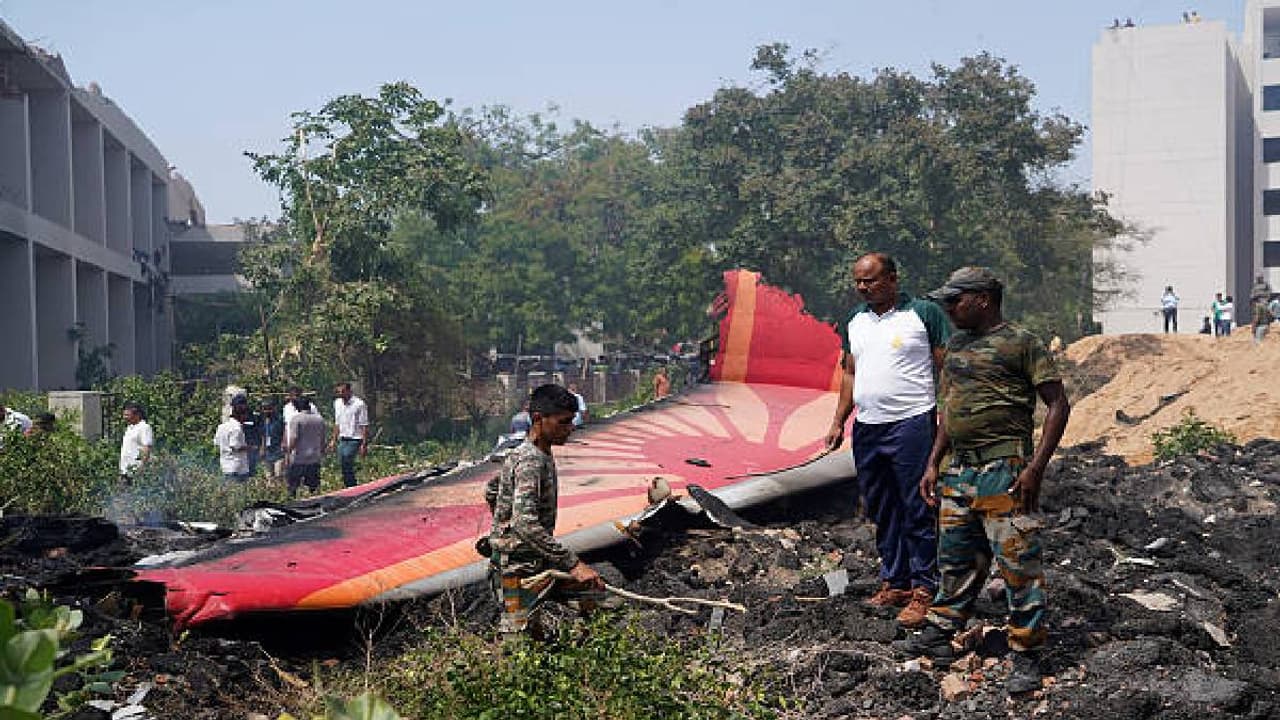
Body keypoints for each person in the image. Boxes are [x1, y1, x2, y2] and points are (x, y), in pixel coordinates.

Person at [896, 267, 1071, 696]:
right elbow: (949, 409)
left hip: (1003, 472)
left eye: (955, 301)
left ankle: (1026, 653)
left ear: (983, 300)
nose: (949, 309)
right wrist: (933, 463)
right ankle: (941, 632)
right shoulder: (956, 344)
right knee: (956, 557)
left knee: (1016, 564)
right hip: (959, 471)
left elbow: (1057, 405)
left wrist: (1035, 468)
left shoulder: (1021, 343)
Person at [823, 252, 950, 628]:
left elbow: (948, 368)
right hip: (869, 425)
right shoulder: (856, 321)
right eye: (858, 282)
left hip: (912, 422)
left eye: (871, 280)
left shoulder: (923, 314)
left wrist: (948, 417)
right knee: (881, 506)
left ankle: (925, 587)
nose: (863, 288)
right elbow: (849, 374)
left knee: (917, 505)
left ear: (893, 278)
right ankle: (896, 581)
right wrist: (837, 421)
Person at [480, 384, 605, 636]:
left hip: (534, 560)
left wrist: (502, 528)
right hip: (517, 568)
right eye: (563, 422)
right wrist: (573, 564)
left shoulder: (528, 453)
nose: (570, 428)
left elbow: (493, 490)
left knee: (593, 594)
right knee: (517, 644)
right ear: (538, 419)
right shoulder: (530, 462)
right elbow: (525, 524)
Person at [285, 397, 327, 498]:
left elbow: (294, 438)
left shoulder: (296, 419)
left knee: (293, 486)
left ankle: (293, 505)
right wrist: (322, 452)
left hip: (299, 458)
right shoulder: (319, 419)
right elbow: (322, 438)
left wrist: (288, 452)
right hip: (314, 457)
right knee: (313, 486)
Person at [330, 382, 369, 488]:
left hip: (355, 438)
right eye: (338, 392)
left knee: (347, 459)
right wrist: (333, 440)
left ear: (349, 391)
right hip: (343, 438)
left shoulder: (359, 404)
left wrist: (364, 445)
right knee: (342, 462)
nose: (340, 394)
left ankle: (352, 486)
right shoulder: (337, 403)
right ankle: (349, 485)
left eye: (343, 391)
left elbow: (364, 425)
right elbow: (337, 422)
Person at [214, 404, 251, 481]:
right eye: (246, 414)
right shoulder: (236, 428)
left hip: (225, 464)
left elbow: (217, 443)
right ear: (241, 415)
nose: (247, 417)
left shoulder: (221, 427)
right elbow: (235, 447)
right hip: (237, 466)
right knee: (238, 491)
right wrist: (250, 447)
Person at [118, 402, 154, 481]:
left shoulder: (144, 427)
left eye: (127, 415)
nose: (125, 417)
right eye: (124, 415)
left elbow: (146, 448)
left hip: (135, 470)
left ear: (137, 415)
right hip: (125, 470)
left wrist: (142, 467)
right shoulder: (130, 427)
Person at [235, 396, 263, 476]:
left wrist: (261, 447)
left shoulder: (254, 416)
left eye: (241, 404)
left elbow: (261, 432)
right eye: (237, 405)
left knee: (251, 470)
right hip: (239, 449)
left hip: (252, 448)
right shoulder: (234, 417)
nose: (240, 407)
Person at [260, 400, 286, 481]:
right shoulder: (263, 420)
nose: (266, 411)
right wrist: (262, 448)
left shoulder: (279, 419)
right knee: (269, 476)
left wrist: (283, 444)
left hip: (278, 452)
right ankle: (271, 492)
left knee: (278, 474)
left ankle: (280, 491)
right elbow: (263, 435)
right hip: (268, 452)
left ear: (273, 408)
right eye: (264, 409)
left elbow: (285, 432)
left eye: (268, 408)